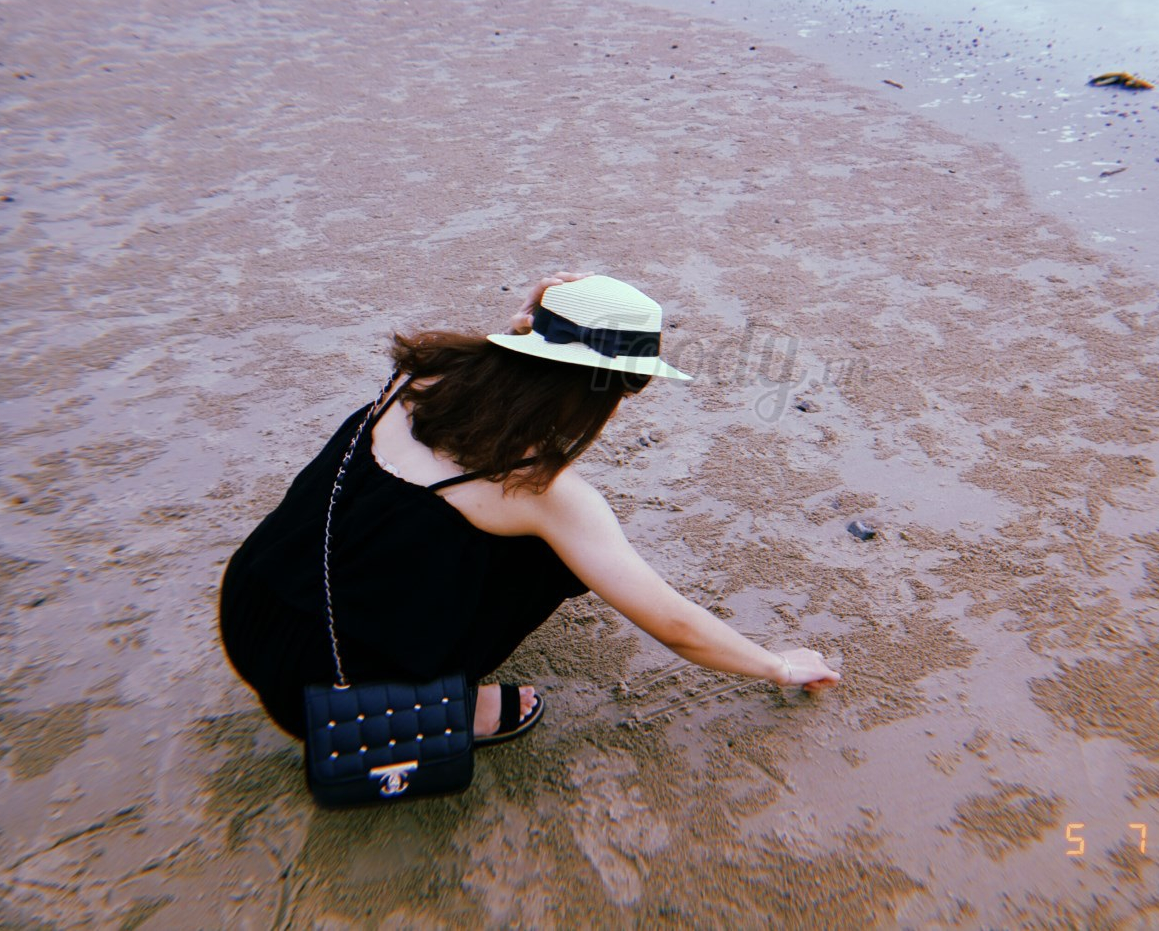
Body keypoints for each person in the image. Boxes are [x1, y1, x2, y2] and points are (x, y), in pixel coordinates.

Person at [219, 272, 841, 744]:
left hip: (250, 606)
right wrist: (778, 666)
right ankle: (451, 705)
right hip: (338, 700)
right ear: (613, 388)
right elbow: (673, 624)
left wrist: (531, 319)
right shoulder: (546, 495)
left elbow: (510, 363)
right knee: (554, 555)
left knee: (415, 516)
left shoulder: (424, 375)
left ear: (525, 332)